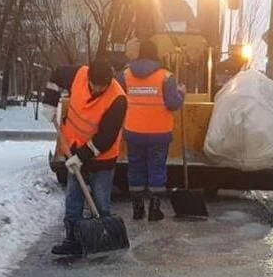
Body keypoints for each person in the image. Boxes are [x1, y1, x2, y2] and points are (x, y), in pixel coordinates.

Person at [42, 58, 128, 257]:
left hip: (102, 156)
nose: (98, 88)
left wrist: (82, 157)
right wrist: (49, 102)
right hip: (74, 148)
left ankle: (102, 238)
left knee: (100, 197)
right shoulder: (78, 75)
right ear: (89, 77)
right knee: (74, 195)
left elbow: (105, 138)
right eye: (94, 84)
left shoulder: (118, 98)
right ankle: (72, 238)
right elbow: (56, 74)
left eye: (103, 85)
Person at [117, 39, 185, 221]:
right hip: (159, 133)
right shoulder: (166, 76)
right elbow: (172, 104)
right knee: (157, 169)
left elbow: (118, 98)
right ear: (156, 55)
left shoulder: (125, 75)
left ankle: (137, 208)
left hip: (133, 131)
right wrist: (182, 94)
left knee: (135, 168)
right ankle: (155, 209)